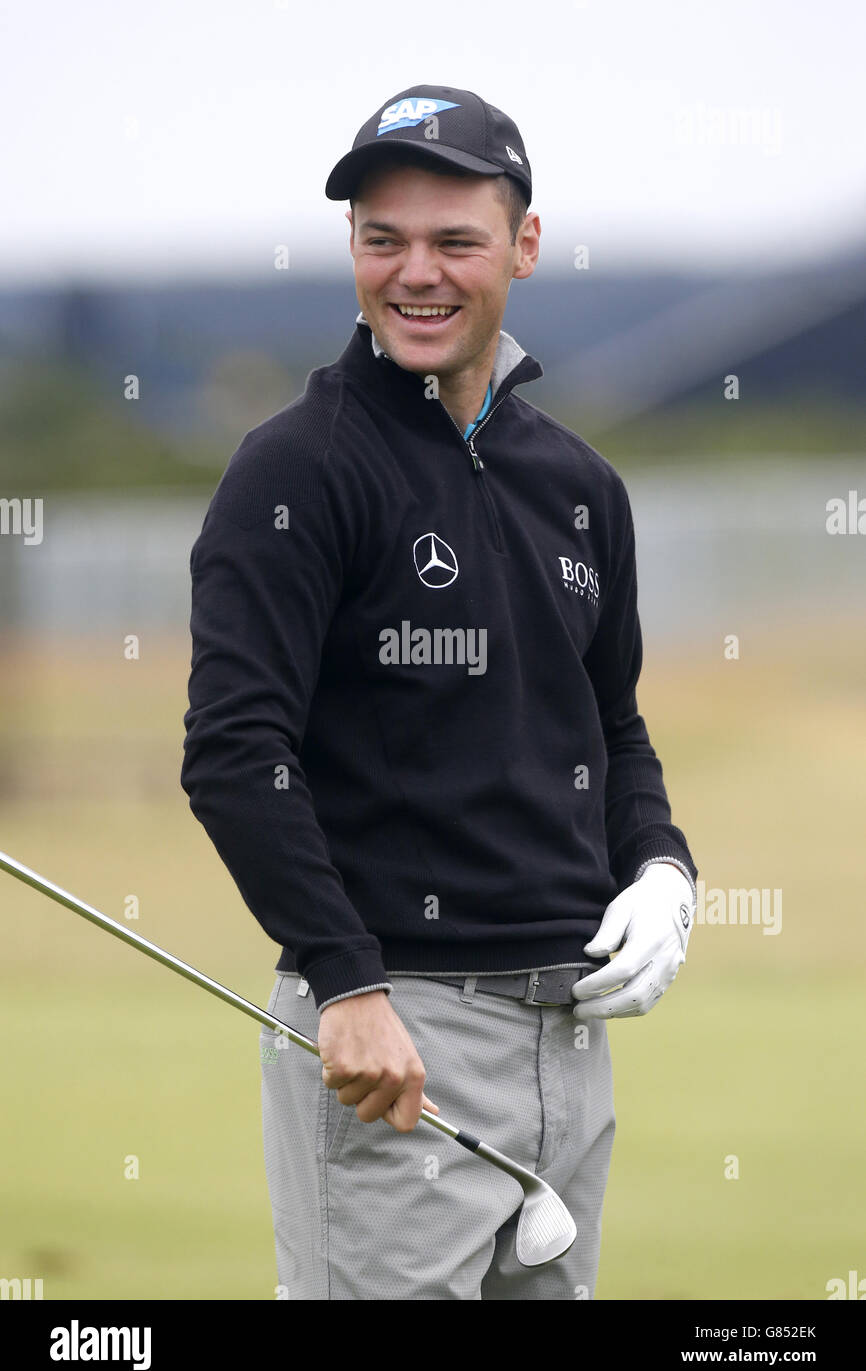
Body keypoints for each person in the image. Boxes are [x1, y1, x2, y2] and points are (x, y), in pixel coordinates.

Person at [180, 84, 699, 1301]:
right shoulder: (296, 468)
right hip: (392, 1038)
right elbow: (234, 751)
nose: (415, 273)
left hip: (567, 1039)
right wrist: (343, 983)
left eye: (453, 241)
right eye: (381, 240)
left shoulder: (577, 486)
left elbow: (609, 725)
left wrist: (662, 864)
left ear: (521, 245)